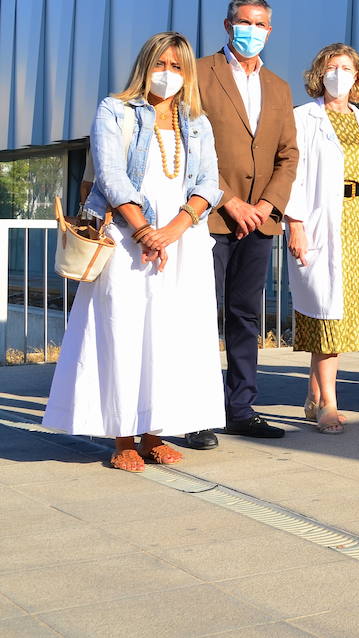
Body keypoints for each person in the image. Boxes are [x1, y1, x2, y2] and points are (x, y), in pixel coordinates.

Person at [44, 33, 224, 471]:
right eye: (162, 64)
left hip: (181, 242)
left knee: (171, 337)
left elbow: (208, 183)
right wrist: (145, 231)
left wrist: (173, 230)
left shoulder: (196, 120)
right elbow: (109, 174)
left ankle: (153, 433)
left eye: (178, 66)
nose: (169, 73)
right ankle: (122, 437)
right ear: (146, 65)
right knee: (121, 332)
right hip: (127, 238)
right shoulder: (116, 109)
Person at [190, 0, 299, 448]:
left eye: (261, 24)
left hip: (260, 222)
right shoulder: (197, 73)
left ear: (270, 31)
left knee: (245, 315)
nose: (252, 30)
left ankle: (240, 407)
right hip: (210, 215)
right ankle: (194, 410)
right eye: (244, 22)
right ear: (227, 23)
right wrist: (230, 201)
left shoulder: (279, 86)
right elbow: (192, 142)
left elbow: (288, 155)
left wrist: (268, 207)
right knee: (199, 315)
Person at [283, 44, 359, 435]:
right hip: (321, 219)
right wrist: (296, 223)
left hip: (358, 222)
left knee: (341, 312)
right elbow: (294, 174)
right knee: (326, 312)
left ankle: (313, 395)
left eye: (347, 67)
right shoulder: (304, 118)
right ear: (319, 72)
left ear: (358, 76)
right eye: (332, 66)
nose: (339, 73)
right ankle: (329, 403)